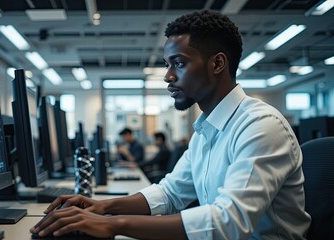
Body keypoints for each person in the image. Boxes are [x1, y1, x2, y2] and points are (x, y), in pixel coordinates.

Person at [30, 10, 311, 239]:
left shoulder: (260, 125)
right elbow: (170, 192)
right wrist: (104, 207)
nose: (167, 76)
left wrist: (114, 224)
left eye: (178, 63)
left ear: (217, 64)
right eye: (167, 64)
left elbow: (230, 222)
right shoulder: (206, 129)